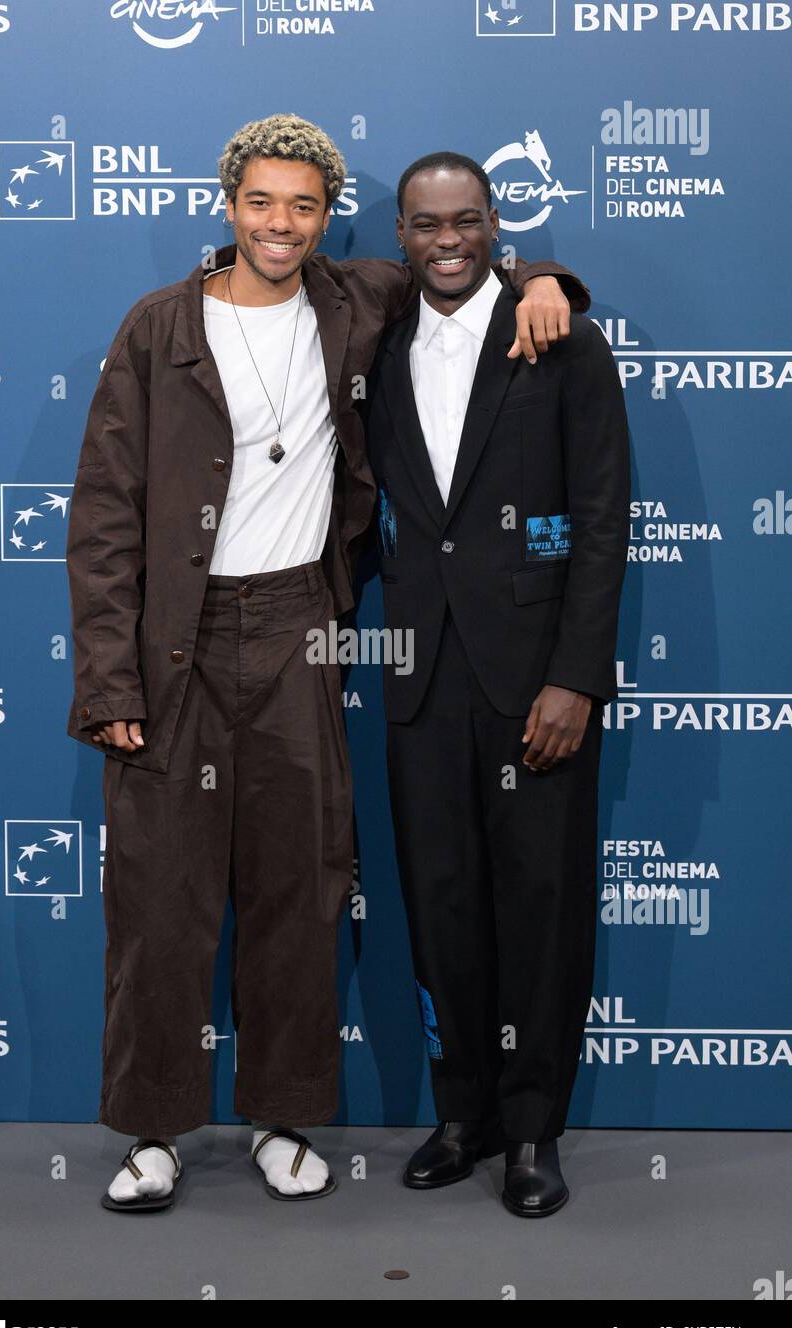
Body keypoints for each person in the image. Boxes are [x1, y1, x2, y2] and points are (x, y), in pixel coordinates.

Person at [65, 114, 591, 1211]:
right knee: (162, 898)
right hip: (176, 640)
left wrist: (547, 274)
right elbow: (105, 514)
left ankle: (280, 1118)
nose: (280, 223)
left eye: (303, 205)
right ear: (228, 204)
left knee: (299, 893)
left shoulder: (356, 301)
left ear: (329, 217)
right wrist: (109, 678)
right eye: (261, 201)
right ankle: (152, 1131)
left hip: (303, 625)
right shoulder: (157, 326)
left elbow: (465, 262)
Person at [363, 151, 631, 1217]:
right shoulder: (373, 341)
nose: (446, 241)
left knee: (540, 905)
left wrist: (574, 677)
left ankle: (532, 1131)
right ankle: (462, 1111)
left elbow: (603, 520)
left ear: (493, 224)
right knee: (440, 907)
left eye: (465, 221)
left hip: (535, 685)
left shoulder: (556, 335)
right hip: (418, 678)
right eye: (426, 224)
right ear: (400, 233)